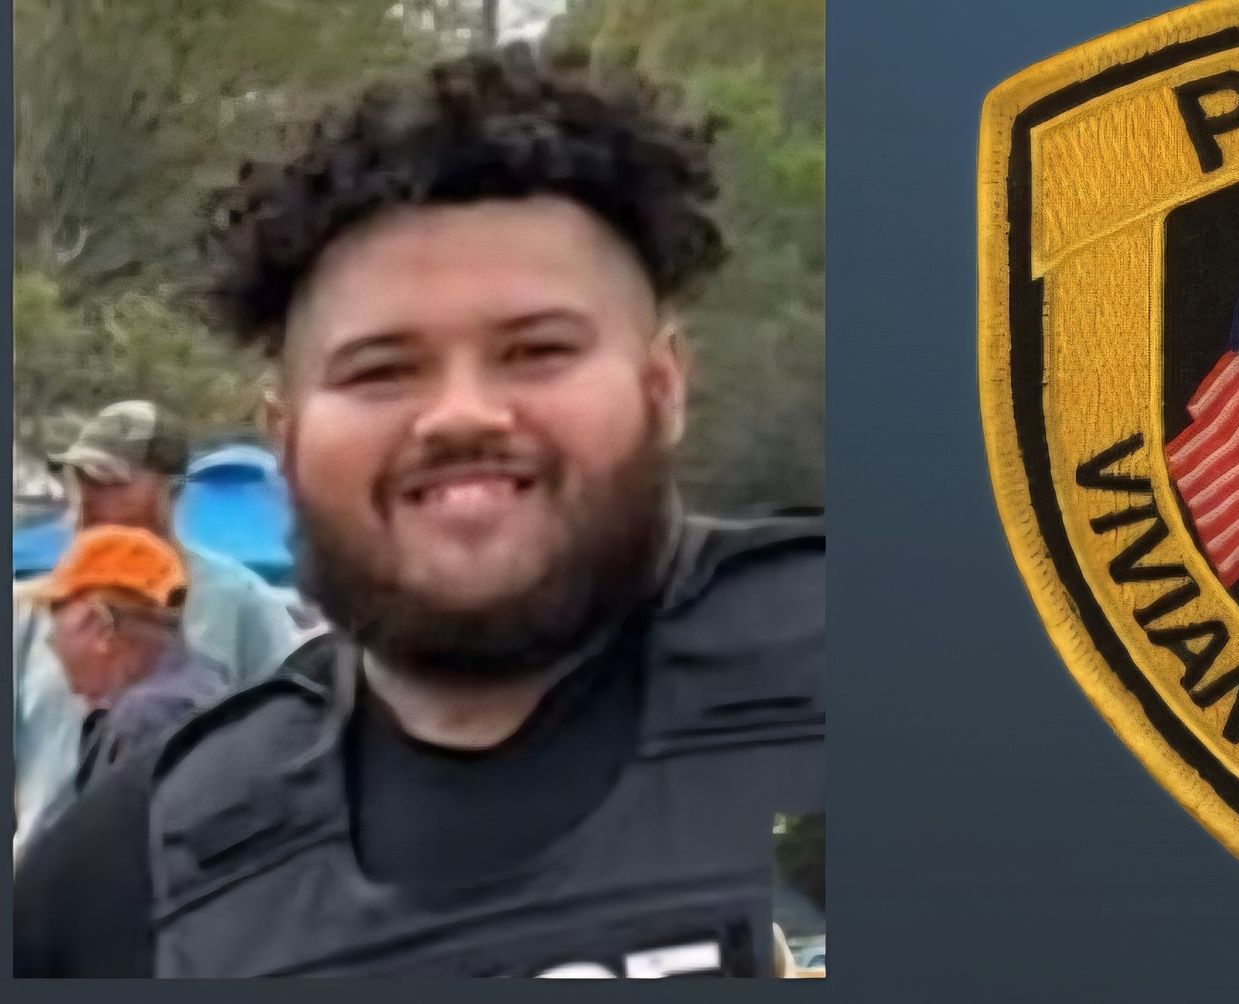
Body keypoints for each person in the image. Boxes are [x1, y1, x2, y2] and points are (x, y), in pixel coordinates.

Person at [15, 43, 823, 978]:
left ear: (663, 386)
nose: (461, 415)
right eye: (383, 371)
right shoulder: (138, 884)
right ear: (285, 437)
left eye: (537, 351)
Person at [12, 401, 302, 847]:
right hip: (41, 877)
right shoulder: (30, 610)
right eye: (78, 479)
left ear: (172, 491)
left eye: (111, 483)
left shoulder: (241, 605)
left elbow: (290, 747)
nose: (86, 501)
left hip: (179, 875)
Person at [35, 527, 225, 797]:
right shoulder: (211, 678)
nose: (52, 642)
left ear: (102, 627)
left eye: (57, 616)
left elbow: (112, 823)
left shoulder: (145, 719)